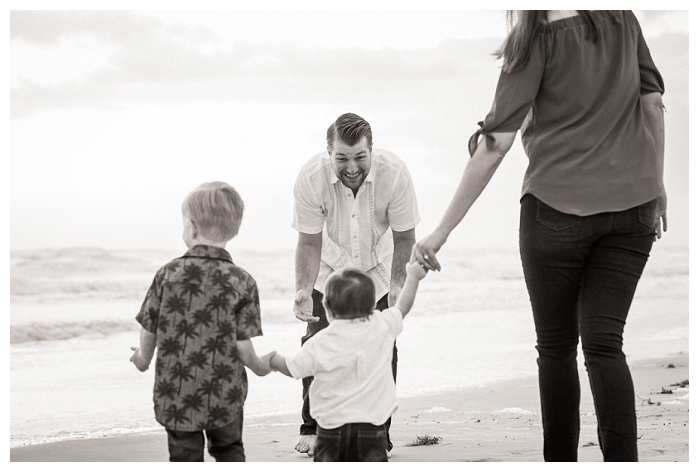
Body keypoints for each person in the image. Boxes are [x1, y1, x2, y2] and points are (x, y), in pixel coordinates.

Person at [413, 11, 666, 462]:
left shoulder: (533, 39)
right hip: (634, 208)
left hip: (556, 210)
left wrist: (442, 230)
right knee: (605, 345)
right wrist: (656, 182)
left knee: (556, 350)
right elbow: (652, 102)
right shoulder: (624, 20)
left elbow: (495, 144)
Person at [292, 112, 420, 456]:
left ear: (371, 151)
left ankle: (379, 429)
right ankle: (312, 425)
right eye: (342, 158)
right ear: (329, 152)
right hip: (329, 270)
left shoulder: (394, 174)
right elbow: (308, 242)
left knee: (381, 345)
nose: (351, 168)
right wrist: (303, 288)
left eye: (360, 157)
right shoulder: (310, 177)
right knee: (317, 343)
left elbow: (406, 236)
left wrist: (397, 284)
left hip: (378, 269)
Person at [130, 181, 275, 462]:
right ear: (234, 229)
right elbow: (242, 344)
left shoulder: (167, 274)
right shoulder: (243, 281)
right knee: (229, 449)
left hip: (177, 392)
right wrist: (259, 366)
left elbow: (150, 327)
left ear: (192, 227)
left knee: (185, 457)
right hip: (225, 391)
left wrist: (142, 359)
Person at [269, 262, 428, 461]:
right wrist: (413, 277)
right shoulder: (382, 325)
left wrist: (272, 361)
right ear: (372, 306)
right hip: (372, 429)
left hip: (329, 430)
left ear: (326, 308)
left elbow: (293, 368)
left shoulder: (320, 341)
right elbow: (403, 306)